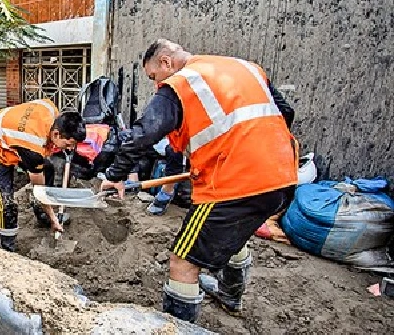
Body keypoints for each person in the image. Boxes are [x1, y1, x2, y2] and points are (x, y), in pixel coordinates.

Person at [100, 40, 297, 323]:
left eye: (153, 76)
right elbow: (285, 113)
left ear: (165, 63)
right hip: (281, 175)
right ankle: (230, 296)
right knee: (233, 232)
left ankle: (176, 328)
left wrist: (115, 176)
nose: (155, 84)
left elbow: (144, 134)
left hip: (233, 185)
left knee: (182, 263)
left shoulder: (182, 83)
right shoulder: (246, 68)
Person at [0, 99, 86, 252]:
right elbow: (39, 188)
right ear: (56, 134)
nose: (70, 149)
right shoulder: (32, 147)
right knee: (6, 201)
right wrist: (54, 218)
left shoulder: (52, 112)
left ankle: (43, 216)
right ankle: (7, 249)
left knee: (47, 169)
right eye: (68, 144)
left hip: (13, 138)